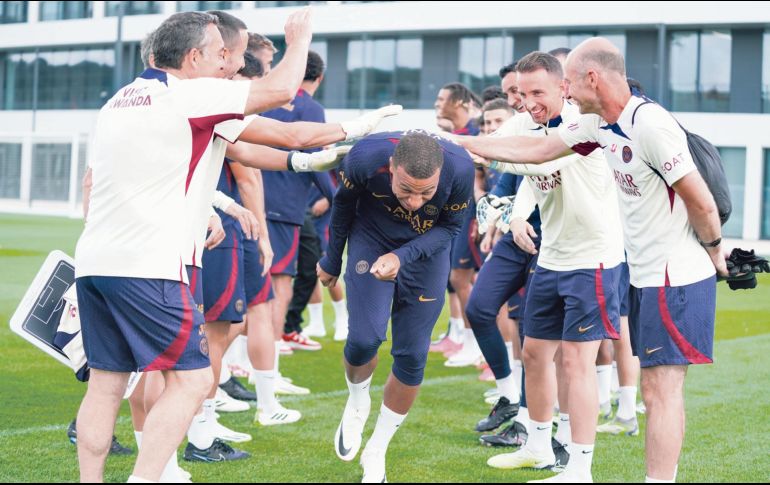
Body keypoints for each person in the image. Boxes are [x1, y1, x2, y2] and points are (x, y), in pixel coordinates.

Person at [456, 37, 726, 484]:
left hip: (667, 273)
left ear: (590, 78)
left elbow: (699, 198)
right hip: (640, 271)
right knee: (569, 362)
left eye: (564, 84)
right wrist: (461, 142)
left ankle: (604, 471)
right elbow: (537, 152)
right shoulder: (601, 125)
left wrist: (716, 251)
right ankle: (548, 449)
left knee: (660, 389)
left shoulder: (649, 124)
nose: (563, 93)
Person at [73, 9, 315, 482]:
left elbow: (112, 179)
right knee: (194, 379)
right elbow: (283, 91)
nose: (227, 62)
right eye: (221, 53)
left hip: (96, 260)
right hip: (150, 264)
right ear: (192, 57)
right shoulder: (188, 92)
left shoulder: (120, 99)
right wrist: (299, 38)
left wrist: (208, 207)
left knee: (105, 386)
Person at [317, 131, 474, 483]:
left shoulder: (461, 168)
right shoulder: (364, 158)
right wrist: (331, 259)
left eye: (426, 192)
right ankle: (358, 400)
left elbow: (450, 228)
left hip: (425, 254)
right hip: (371, 240)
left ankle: (377, 450)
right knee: (363, 341)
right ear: (391, 168)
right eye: (406, 190)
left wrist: (401, 257)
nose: (416, 201)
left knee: (413, 355)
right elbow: (343, 206)